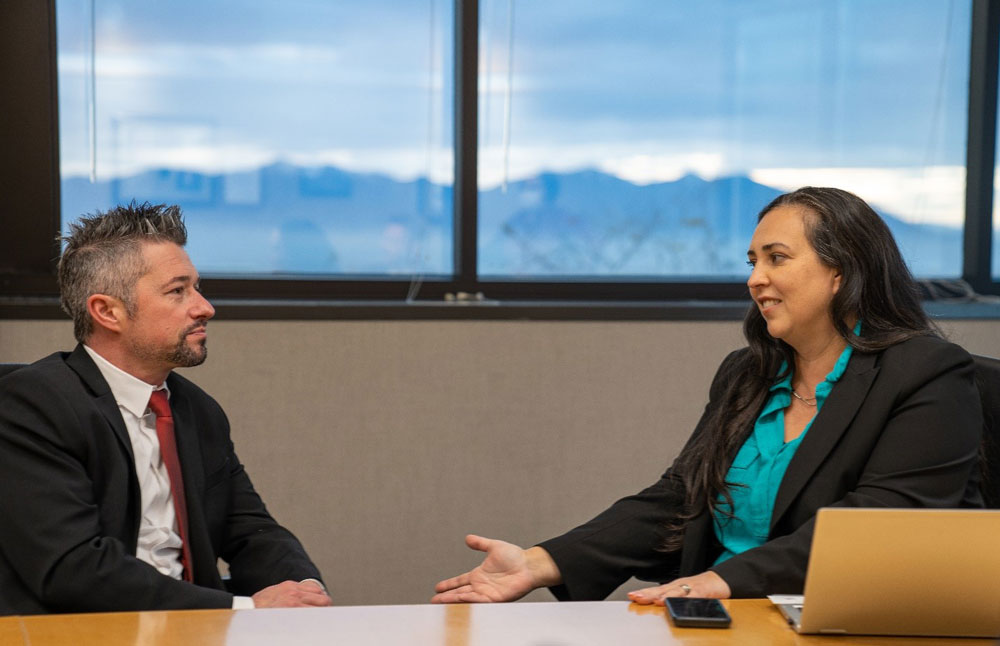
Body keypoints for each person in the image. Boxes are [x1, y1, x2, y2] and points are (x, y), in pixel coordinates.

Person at [432, 187, 984, 604]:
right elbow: (679, 499)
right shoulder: (749, 374)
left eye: (777, 258)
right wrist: (540, 561)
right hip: (720, 617)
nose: (755, 278)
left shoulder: (926, 371)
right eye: (752, 262)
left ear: (841, 271)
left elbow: (883, 522)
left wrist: (723, 578)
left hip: (838, 622)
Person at [0, 202, 333, 614]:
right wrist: (242, 609)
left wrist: (302, 589)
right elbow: (74, 568)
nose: (204, 307)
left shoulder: (196, 410)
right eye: (178, 291)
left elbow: (251, 531)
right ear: (107, 311)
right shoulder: (33, 405)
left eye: (197, 287)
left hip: (194, 631)